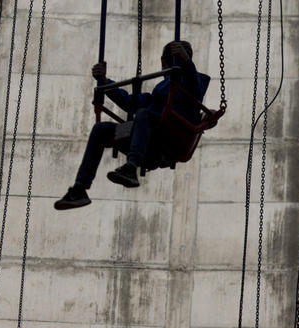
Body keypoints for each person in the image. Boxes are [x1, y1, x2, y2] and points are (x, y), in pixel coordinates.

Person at [54, 40, 211, 210]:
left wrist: (187, 62)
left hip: (171, 137)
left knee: (143, 114)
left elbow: (193, 85)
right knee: (101, 130)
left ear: (163, 62)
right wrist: (104, 81)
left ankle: (131, 166)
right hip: (151, 134)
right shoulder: (159, 92)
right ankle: (80, 188)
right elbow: (131, 102)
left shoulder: (192, 85)